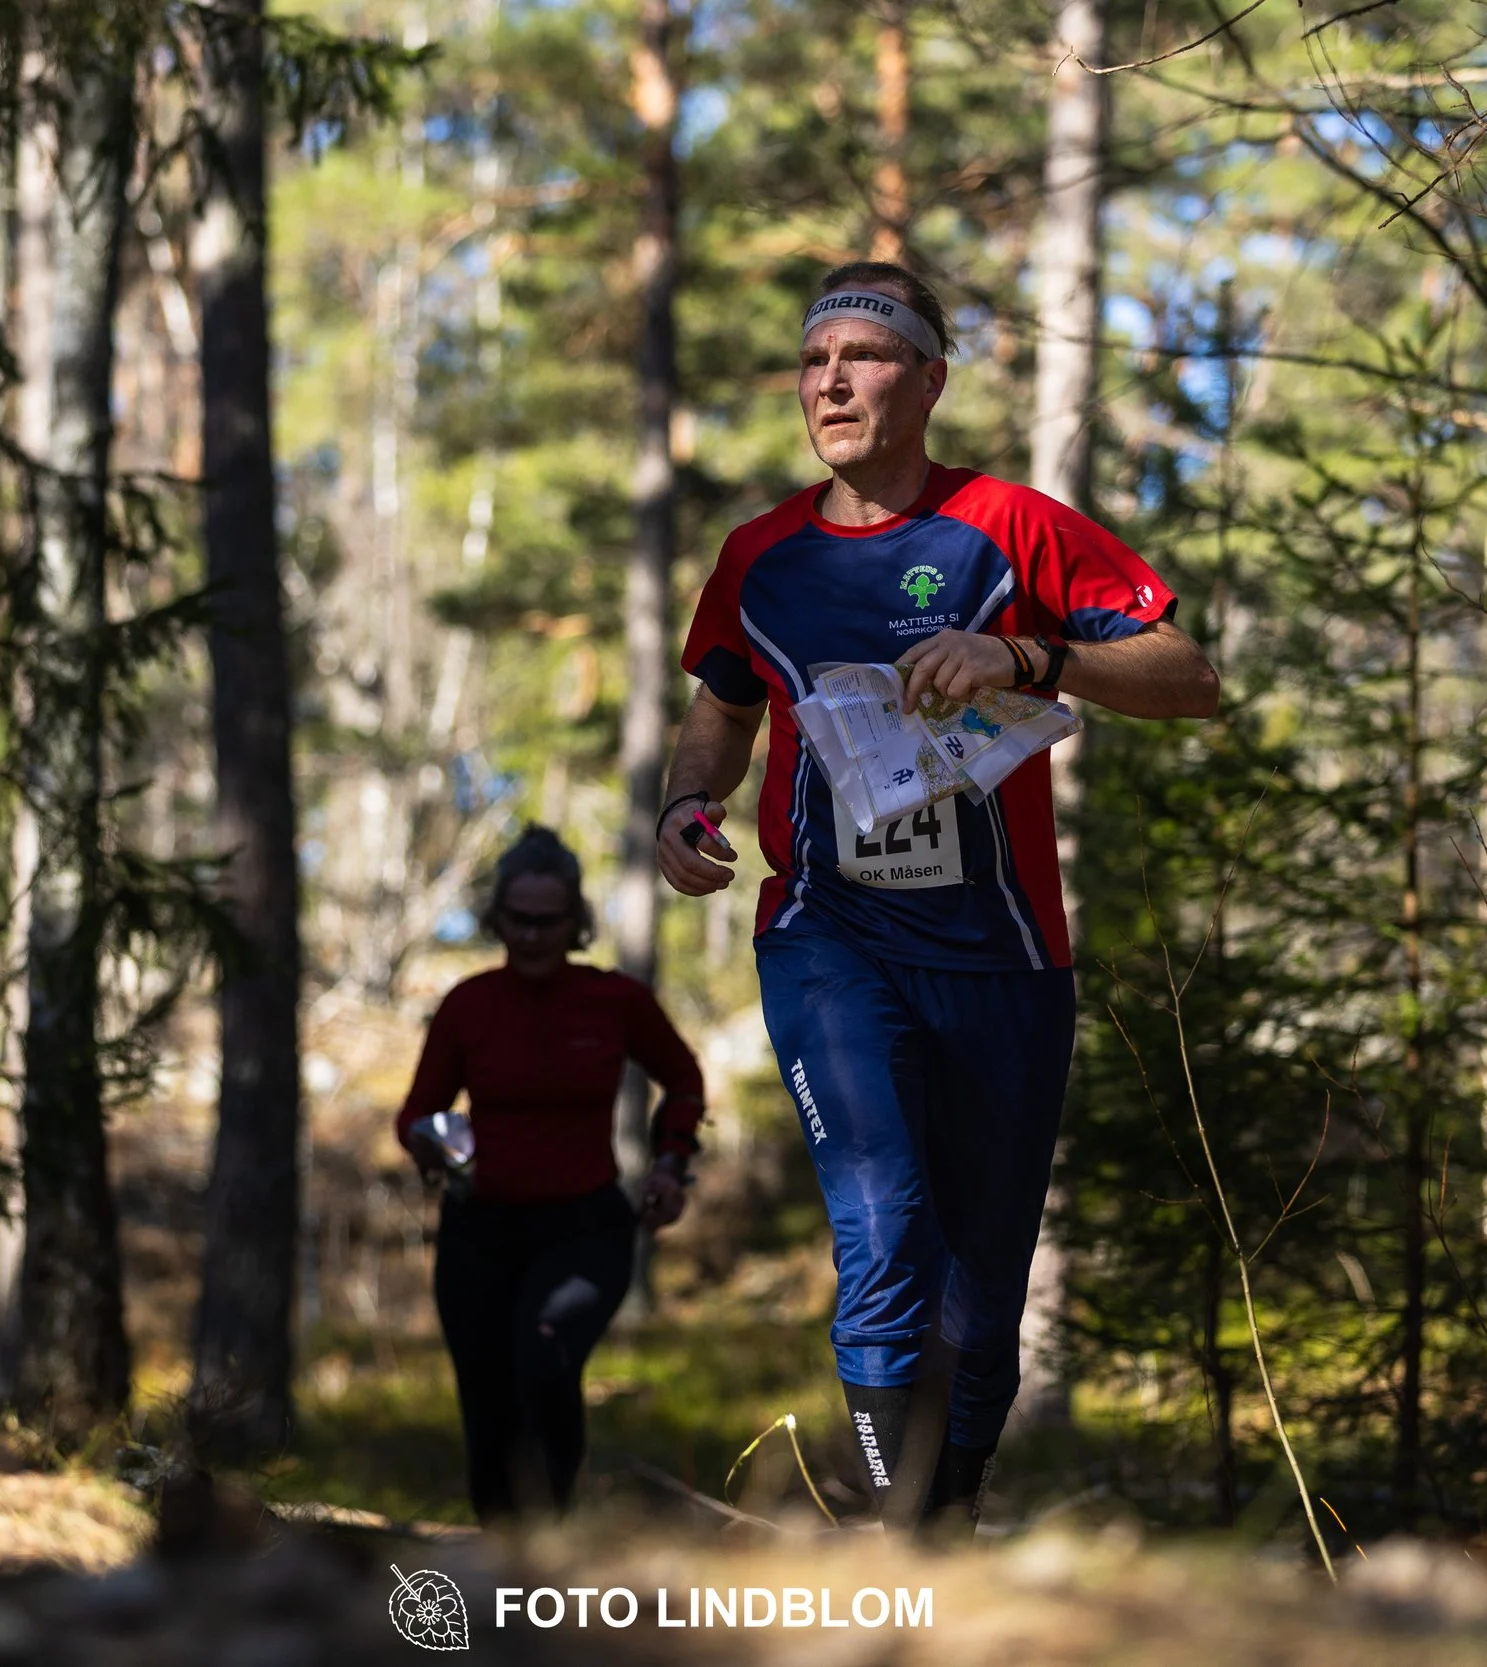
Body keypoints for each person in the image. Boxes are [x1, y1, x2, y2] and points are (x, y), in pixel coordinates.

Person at [654, 261, 1218, 1532]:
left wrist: (1027, 652)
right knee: (884, 1219)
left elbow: (1188, 675)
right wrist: (685, 806)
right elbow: (722, 708)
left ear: (929, 380)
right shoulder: (759, 557)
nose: (831, 382)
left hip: (1003, 953)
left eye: (861, 356)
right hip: (828, 936)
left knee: (981, 1282)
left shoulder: (1012, 526)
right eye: (813, 362)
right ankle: (893, 1530)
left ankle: (944, 1520)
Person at [397, 825, 704, 1522]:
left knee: (544, 1357)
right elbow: (416, 1113)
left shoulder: (614, 1000)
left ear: (576, 923)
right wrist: (432, 1144)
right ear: (496, 919)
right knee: (486, 1397)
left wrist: (670, 1165)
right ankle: (499, 1549)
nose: (532, 936)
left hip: (584, 1228)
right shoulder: (468, 1005)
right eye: (518, 919)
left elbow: (683, 1079)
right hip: (479, 1232)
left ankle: (547, 1534)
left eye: (549, 921)